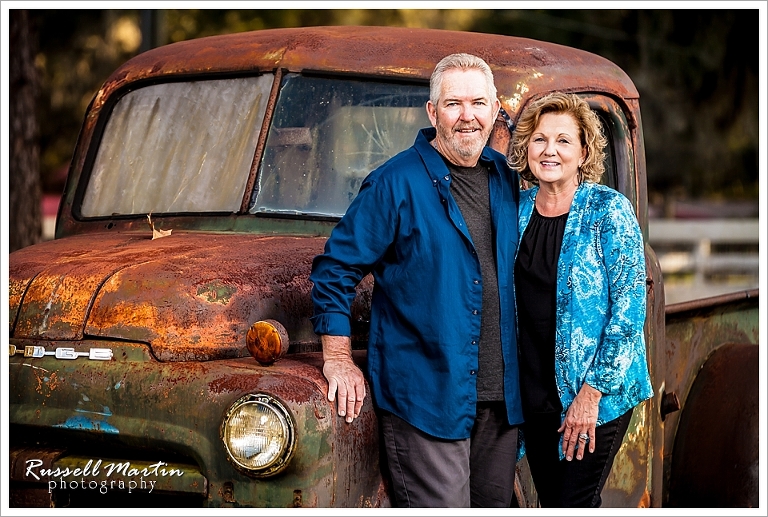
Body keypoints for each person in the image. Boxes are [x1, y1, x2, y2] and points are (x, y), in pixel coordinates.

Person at [309, 53, 522, 508]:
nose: (468, 116)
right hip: (427, 398)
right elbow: (336, 269)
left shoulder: (505, 179)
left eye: (478, 103)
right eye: (453, 104)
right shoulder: (393, 183)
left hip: (500, 404)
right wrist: (339, 357)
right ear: (432, 112)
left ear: (494, 109)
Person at [507, 91, 653, 507]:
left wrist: (590, 395)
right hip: (533, 394)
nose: (549, 150)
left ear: (584, 150)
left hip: (595, 395)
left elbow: (629, 313)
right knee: (555, 502)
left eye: (563, 140)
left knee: (573, 503)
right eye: (539, 139)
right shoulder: (513, 211)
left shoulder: (609, 211)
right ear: (527, 148)